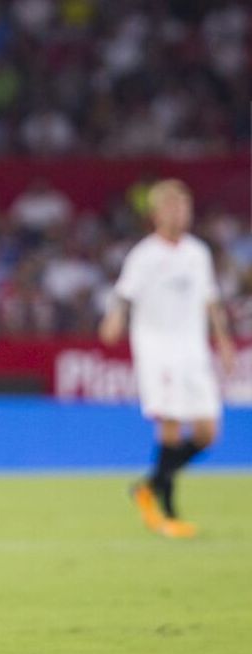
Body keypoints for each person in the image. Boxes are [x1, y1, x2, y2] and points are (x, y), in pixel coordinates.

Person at [99, 179, 235, 538]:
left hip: (193, 348)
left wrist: (223, 341)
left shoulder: (197, 253)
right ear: (157, 214)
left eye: (185, 207)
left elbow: (210, 300)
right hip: (158, 347)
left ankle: (149, 485)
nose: (180, 213)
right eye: (173, 207)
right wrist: (114, 320)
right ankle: (169, 510)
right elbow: (123, 295)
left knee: (208, 432)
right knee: (171, 422)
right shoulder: (145, 255)